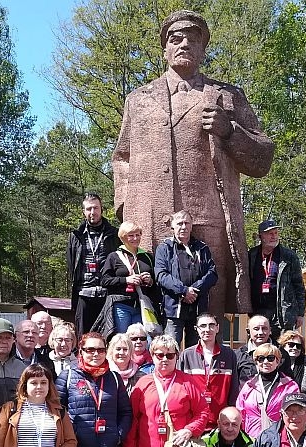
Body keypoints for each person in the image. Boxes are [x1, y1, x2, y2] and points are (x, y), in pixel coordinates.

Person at [113, 9, 273, 316]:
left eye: (192, 39)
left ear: (202, 50)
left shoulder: (227, 96)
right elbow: (122, 157)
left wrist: (230, 132)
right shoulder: (138, 99)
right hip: (149, 219)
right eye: (175, 38)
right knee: (151, 307)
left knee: (213, 303)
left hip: (209, 217)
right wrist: (126, 206)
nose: (183, 44)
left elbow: (263, 158)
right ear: (165, 49)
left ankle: (213, 359)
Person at [155, 211, 217, 346]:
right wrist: (183, 291)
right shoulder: (164, 248)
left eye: (187, 223)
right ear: (172, 226)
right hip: (173, 309)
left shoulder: (202, 248)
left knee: (195, 352)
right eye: (179, 223)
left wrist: (194, 290)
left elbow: (212, 274)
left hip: (198, 309)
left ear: (192, 225)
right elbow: (161, 275)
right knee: (170, 349)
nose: (183, 227)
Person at [67, 193, 121, 337]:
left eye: (96, 208)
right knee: (83, 337)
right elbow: (71, 265)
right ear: (83, 212)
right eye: (89, 209)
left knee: (108, 336)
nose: (93, 212)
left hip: (107, 293)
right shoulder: (76, 236)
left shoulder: (114, 234)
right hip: (83, 292)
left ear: (101, 209)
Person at [95, 221, 161, 338]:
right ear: (123, 237)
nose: (135, 238)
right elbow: (104, 281)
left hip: (142, 306)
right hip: (121, 305)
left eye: (138, 234)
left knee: (143, 340)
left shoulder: (147, 256)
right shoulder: (114, 256)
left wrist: (150, 281)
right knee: (123, 340)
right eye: (131, 235)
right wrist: (126, 280)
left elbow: (157, 283)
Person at [247, 220, 306, 337]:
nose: (274, 236)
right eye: (270, 233)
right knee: (260, 346)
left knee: (282, 347)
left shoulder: (289, 256)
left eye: (275, 233)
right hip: (258, 310)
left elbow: (299, 286)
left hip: (282, 312)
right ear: (261, 236)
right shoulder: (252, 255)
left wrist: (300, 313)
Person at [179, 313, 239, 426]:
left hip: (221, 421)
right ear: (196, 329)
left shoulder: (229, 355)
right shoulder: (187, 355)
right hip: (193, 420)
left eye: (211, 325)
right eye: (203, 326)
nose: (207, 329)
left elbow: (233, 388)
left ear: (217, 328)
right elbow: (180, 390)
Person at [236, 343, 300, 439]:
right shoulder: (249, 386)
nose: (265, 362)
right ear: (256, 362)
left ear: (277, 361)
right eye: (261, 358)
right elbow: (240, 412)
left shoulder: (290, 386)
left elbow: (295, 413)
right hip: (251, 439)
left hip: (279, 439)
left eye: (270, 358)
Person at [0, 319, 56, 405]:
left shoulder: (46, 362)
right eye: (26, 332)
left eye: (34, 333)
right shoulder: (4, 359)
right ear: (15, 336)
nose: (30, 335)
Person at [234, 315, 282, 385]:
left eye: (264, 328)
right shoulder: (238, 355)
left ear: (270, 330)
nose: (260, 332)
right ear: (248, 331)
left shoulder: (281, 352)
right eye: (256, 329)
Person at [279, 330, 306, 395]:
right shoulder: (277, 362)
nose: (295, 348)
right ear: (283, 345)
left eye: (298, 346)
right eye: (291, 345)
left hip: (305, 402)